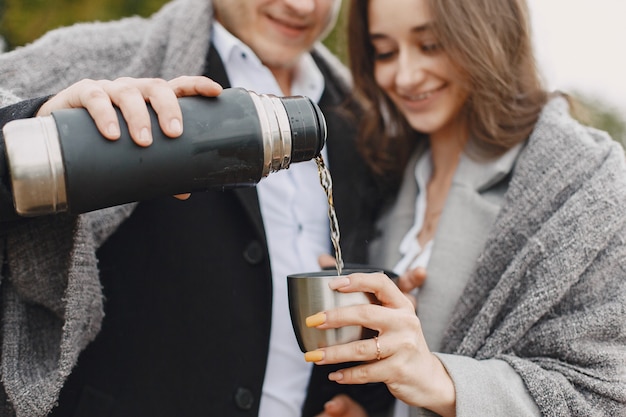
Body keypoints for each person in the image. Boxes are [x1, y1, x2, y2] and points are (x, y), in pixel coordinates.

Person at [0, 0, 393, 416]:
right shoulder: (100, 62)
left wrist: (361, 398)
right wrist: (40, 128)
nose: (300, 6)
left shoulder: (361, 112)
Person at [304, 0, 626, 416]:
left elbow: (606, 394)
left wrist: (441, 379)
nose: (405, 75)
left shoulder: (584, 188)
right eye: (384, 52)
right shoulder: (387, 172)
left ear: (487, 32)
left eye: (431, 45)